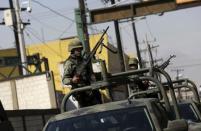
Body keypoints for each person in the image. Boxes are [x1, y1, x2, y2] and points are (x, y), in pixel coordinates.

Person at [62, 38, 102, 107]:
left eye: (80, 49)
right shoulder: (69, 63)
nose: (79, 51)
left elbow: (90, 75)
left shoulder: (83, 60)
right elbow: (64, 80)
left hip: (91, 91)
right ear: (72, 50)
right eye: (77, 49)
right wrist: (72, 80)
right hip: (82, 94)